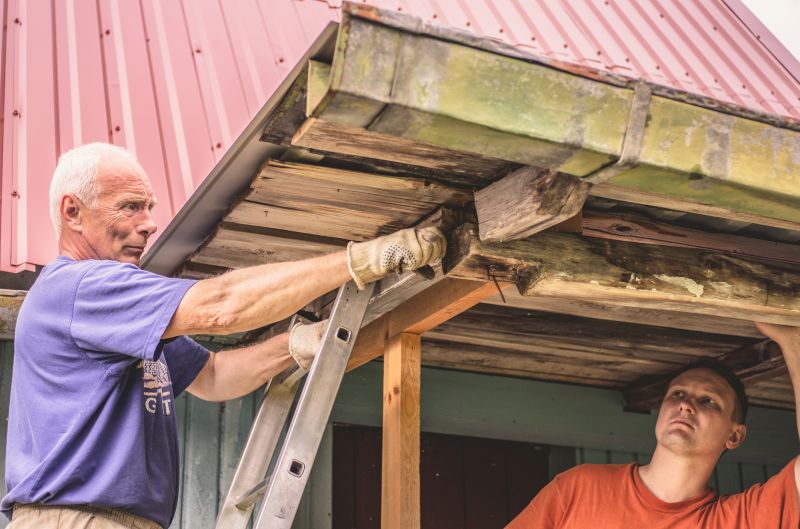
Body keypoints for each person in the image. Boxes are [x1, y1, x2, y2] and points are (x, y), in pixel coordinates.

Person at [1, 142, 446, 529]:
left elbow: (213, 376)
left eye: (150, 207)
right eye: (131, 206)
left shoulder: (113, 317)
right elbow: (220, 307)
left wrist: (294, 345)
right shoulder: (80, 288)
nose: (149, 223)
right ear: (73, 212)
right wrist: (360, 261)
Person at [506, 322, 800, 529]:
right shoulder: (581, 486)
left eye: (708, 401)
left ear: (734, 436)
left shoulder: (739, 520)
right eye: (678, 394)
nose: (686, 405)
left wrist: (792, 341)